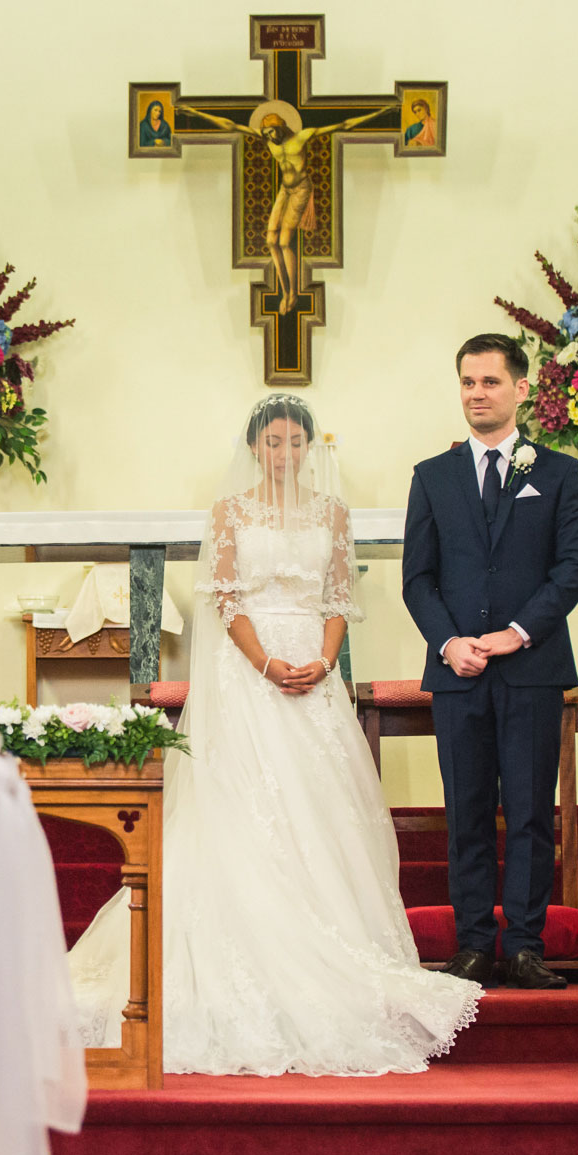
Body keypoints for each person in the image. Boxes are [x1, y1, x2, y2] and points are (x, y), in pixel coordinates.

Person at [69, 394, 482, 1075]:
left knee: (320, 810)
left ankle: (336, 944)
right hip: (249, 672)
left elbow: (339, 597)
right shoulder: (231, 513)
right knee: (245, 808)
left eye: (297, 442)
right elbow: (226, 599)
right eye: (274, 442)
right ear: (256, 447)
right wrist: (264, 661)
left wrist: (322, 661)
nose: (286, 453)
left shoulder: (333, 514)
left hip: (312, 672)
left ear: (310, 449)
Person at [402, 333, 578, 991]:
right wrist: (450, 642)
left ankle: (527, 945)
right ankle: (476, 944)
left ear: (519, 388)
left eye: (489, 381)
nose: (477, 393)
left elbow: (574, 569)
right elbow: (418, 578)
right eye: (467, 382)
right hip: (458, 674)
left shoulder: (557, 471)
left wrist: (517, 632)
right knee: (469, 810)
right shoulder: (433, 476)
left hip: (531, 669)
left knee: (532, 811)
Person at [182, 102, 391, 309]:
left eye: (272, 132)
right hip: (285, 189)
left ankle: (292, 294)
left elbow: (344, 125)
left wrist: (381, 111)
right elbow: (232, 126)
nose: (270, 137)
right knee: (270, 239)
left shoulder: (302, 136)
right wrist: (195, 112)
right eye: (267, 133)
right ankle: (287, 291)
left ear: (281, 127)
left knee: (284, 242)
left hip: (301, 189)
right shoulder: (268, 139)